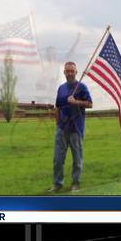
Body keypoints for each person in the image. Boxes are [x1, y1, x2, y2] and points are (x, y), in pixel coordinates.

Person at [49, 61, 92, 193]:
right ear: (64, 72)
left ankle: (76, 183)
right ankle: (57, 184)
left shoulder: (82, 87)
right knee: (58, 160)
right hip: (62, 129)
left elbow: (90, 104)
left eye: (72, 71)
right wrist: (57, 122)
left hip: (76, 129)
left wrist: (76, 102)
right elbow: (57, 106)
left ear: (76, 72)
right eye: (67, 71)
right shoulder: (61, 88)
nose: (70, 73)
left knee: (77, 159)